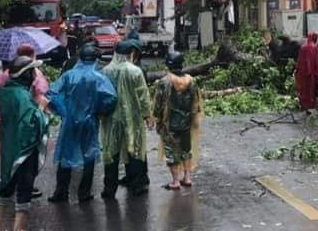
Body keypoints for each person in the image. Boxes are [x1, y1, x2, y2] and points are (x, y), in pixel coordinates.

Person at [47, 43, 117, 203]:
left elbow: (51, 94)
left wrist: (63, 111)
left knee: (66, 154)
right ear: (95, 58)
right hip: (90, 121)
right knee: (89, 155)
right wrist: (100, 111)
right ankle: (84, 193)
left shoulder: (68, 75)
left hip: (70, 121)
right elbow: (111, 98)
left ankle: (61, 192)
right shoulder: (99, 78)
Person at [0, 56, 50, 231]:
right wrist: (41, 108)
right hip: (24, 148)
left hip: (9, 145)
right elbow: (30, 124)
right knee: (24, 185)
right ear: (25, 74)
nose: (34, 75)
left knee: (6, 183)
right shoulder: (22, 96)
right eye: (32, 71)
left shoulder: (6, 91)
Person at [100, 40, 153, 199]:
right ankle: (137, 185)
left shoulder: (104, 71)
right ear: (130, 54)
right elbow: (143, 96)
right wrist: (147, 115)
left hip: (110, 118)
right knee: (135, 149)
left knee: (111, 152)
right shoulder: (135, 71)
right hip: (132, 117)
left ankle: (109, 189)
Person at [0, 45, 50, 165]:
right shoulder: (34, 75)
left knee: (9, 159)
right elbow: (41, 95)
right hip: (28, 125)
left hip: (8, 124)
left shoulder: (6, 75)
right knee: (26, 160)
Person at [152, 51, 202, 190]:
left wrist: (157, 120)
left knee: (171, 151)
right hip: (186, 122)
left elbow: (159, 103)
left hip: (170, 123)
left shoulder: (165, 82)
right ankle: (187, 177)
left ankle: (175, 181)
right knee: (186, 149)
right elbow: (196, 102)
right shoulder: (191, 81)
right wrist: (192, 118)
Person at [295, 32, 318, 113]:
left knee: (303, 90)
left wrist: (297, 71)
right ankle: (311, 106)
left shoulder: (302, 47)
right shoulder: (314, 47)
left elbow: (299, 61)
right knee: (311, 90)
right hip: (311, 74)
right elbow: (317, 62)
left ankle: (304, 106)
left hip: (302, 73)